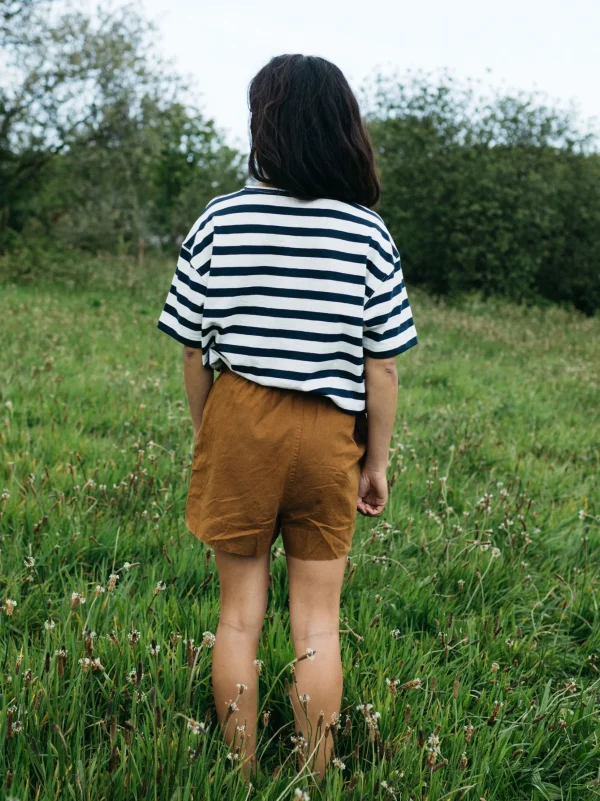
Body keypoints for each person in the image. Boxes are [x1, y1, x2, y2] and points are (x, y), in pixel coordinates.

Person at [156, 53, 418, 783]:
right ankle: (310, 773)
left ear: (264, 127)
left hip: (238, 419)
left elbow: (191, 349)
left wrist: (211, 430)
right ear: (342, 130)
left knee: (238, 614)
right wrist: (375, 460)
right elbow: (384, 365)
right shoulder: (366, 232)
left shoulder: (221, 218)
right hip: (329, 431)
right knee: (317, 621)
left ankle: (237, 773)